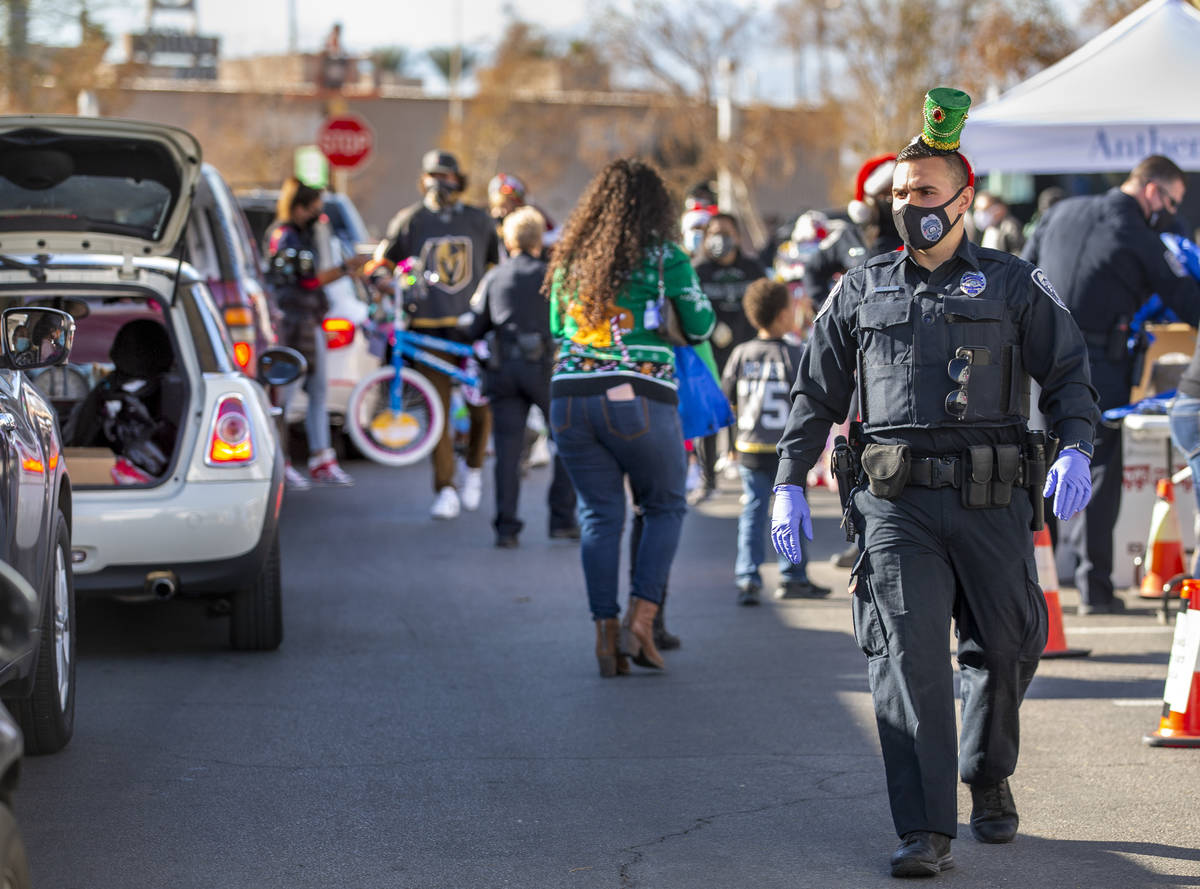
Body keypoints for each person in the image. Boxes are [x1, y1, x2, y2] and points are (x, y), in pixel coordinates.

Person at [770, 88, 1100, 877]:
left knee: (1011, 643)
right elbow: (815, 392)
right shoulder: (860, 287)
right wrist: (786, 478)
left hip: (992, 495)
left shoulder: (1015, 283)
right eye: (898, 195)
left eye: (923, 192)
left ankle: (988, 773)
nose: (908, 206)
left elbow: (1070, 373)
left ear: (964, 199)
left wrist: (1077, 445)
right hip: (894, 503)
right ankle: (925, 829)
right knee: (906, 662)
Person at [546, 157, 715, 677]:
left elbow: (557, 326)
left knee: (599, 516)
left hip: (569, 396)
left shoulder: (572, 257)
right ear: (656, 207)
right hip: (639, 396)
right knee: (664, 505)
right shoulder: (665, 257)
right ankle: (642, 621)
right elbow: (703, 323)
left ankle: (605, 635)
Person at [1023, 155, 1200, 613]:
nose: (1173, 212)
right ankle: (1093, 587)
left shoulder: (1061, 212)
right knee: (1095, 467)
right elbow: (1187, 300)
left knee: (1041, 463)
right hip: (1097, 365)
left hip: (1038, 359)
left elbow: (1021, 272)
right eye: (1172, 201)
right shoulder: (1139, 235)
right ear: (1152, 191)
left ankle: (1029, 582)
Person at [374, 150, 499, 520]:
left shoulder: (480, 220)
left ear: (459, 180)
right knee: (437, 411)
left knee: (480, 405)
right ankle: (444, 488)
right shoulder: (410, 220)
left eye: (446, 175)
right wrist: (383, 281)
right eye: (433, 174)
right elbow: (382, 261)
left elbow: (496, 270)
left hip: (472, 327)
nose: (439, 182)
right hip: (427, 329)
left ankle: (473, 469)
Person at [463, 206, 578, 547]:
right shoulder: (551, 276)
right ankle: (561, 519)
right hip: (544, 368)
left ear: (508, 239)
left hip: (504, 370)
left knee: (507, 452)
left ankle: (506, 527)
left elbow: (475, 327)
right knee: (566, 442)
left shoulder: (495, 277)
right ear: (539, 239)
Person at [722, 278, 829, 604]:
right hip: (787, 451)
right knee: (792, 510)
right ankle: (792, 575)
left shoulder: (741, 353)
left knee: (753, 512)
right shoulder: (795, 354)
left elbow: (728, 401)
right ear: (784, 315)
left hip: (750, 445)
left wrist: (730, 445)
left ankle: (747, 577)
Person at [267, 178, 363, 487]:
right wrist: (346, 268)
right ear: (298, 208)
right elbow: (308, 280)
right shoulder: (286, 238)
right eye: (314, 209)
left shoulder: (305, 235)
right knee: (287, 394)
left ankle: (321, 457)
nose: (320, 216)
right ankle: (280, 462)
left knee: (318, 391)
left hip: (310, 320)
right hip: (293, 324)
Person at [689, 212, 766, 503]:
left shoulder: (751, 268)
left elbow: (766, 302)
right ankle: (708, 480)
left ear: (737, 236)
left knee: (748, 417)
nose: (720, 239)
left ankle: (751, 478)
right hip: (709, 355)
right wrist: (709, 328)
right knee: (708, 418)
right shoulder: (698, 270)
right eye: (715, 233)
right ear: (706, 238)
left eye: (727, 232)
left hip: (747, 353)